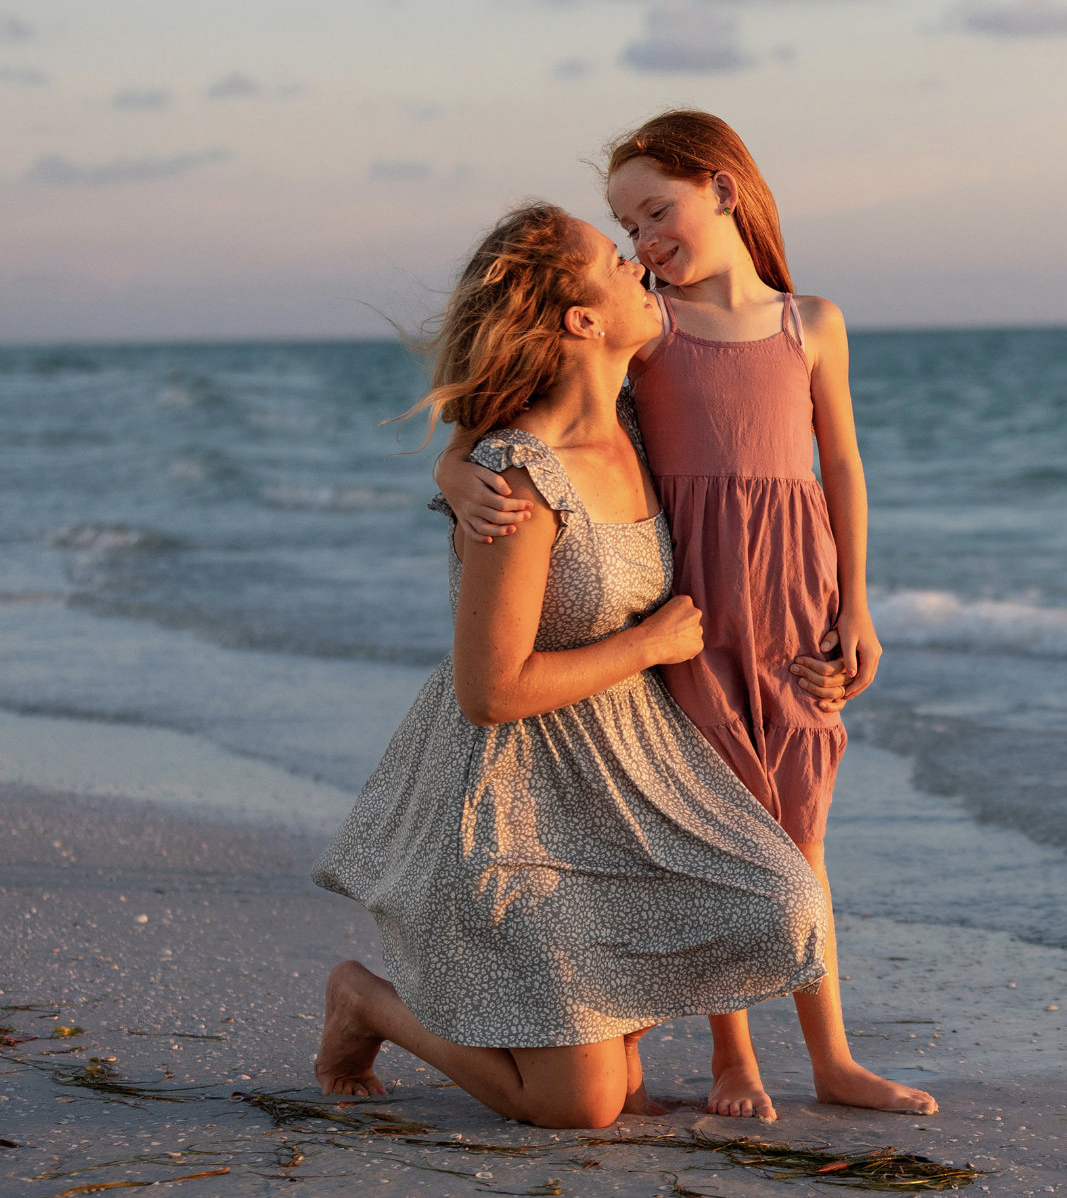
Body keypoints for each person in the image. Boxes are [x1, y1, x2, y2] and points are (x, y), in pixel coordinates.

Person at [438, 110, 935, 1118]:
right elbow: (519, 408)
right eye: (627, 225)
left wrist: (857, 604)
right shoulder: (648, 325)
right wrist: (456, 471)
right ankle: (731, 1057)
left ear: (723, 188)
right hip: (689, 605)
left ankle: (833, 1058)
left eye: (656, 211)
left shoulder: (813, 322)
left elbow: (841, 465)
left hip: (794, 599)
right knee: (717, 824)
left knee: (802, 826)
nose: (643, 240)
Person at [311, 202, 831, 1130]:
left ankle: (591, 1027)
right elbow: (490, 692)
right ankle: (368, 1002)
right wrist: (647, 645)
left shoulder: (636, 420)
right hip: (512, 798)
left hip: (625, 777)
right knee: (582, 1107)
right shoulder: (518, 478)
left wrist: (826, 635)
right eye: (615, 262)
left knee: (783, 901)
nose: (639, 264)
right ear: (583, 319)